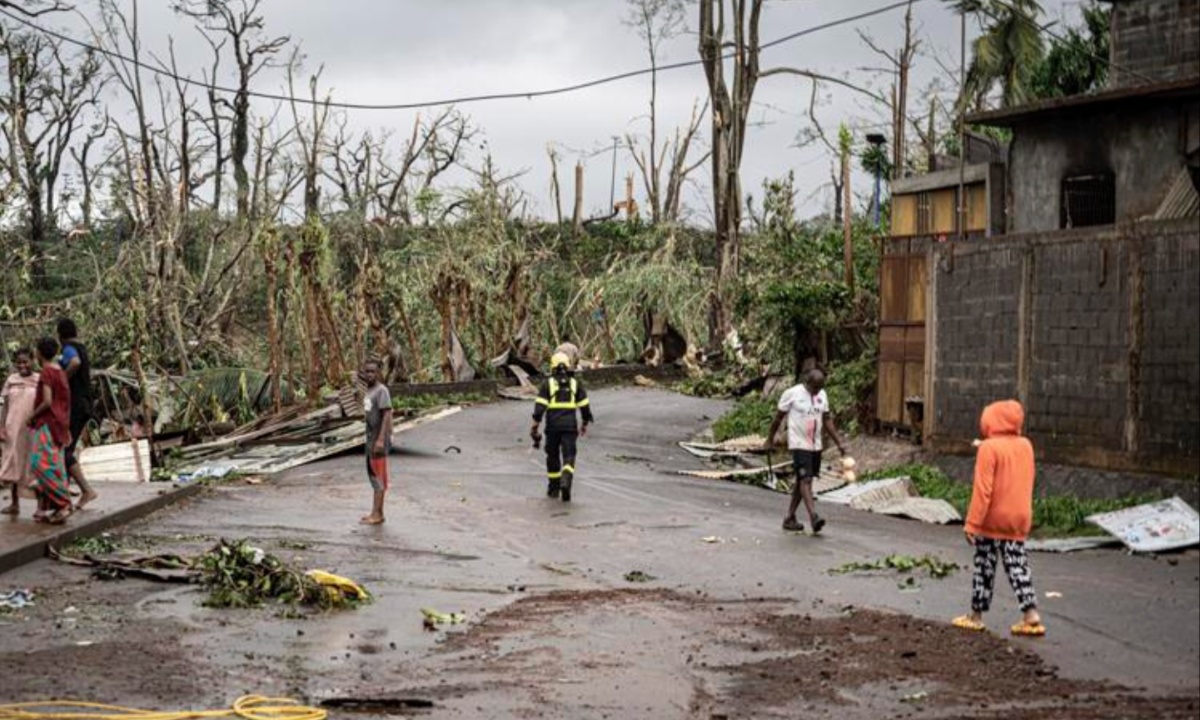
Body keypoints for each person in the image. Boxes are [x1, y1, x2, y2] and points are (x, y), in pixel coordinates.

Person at [953, 399, 1046, 637]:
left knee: (984, 565)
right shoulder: (1026, 445)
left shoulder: (988, 449)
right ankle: (1031, 613)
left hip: (993, 519)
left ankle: (976, 616)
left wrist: (972, 523)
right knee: (1017, 565)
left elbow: (983, 490)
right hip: (1019, 516)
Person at [764, 368, 845, 535]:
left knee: (803, 480)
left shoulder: (822, 395)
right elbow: (778, 417)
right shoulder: (792, 394)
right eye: (815, 388)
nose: (817, 391)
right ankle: (813, 516)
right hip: (799, 443)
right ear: (807, 383)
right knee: (806, 479)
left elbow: (827, 419)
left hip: (815, 445)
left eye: (820, 388)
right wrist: (769, 439)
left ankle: (789, 517)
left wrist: (839, 443)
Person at [531, 352, 593, 503]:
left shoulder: (548, 384)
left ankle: (554, 488)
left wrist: (534, 427)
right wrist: (584, 423)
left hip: (552, 427)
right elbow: (585, 407)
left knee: (552, 456)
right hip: (570, 427)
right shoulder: (575, 383)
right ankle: (566, 478)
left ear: (552, 367)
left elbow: (539, 409)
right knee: (569, 455)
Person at [27, 337, 73, 524]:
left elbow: (47, 401)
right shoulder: (60, 371)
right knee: (55, 465)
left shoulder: (46, 372)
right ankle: (49, 507)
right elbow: (65, 401)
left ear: (38, 352)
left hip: (47, 422)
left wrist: (31, 416)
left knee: (40, 465)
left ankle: (63, 503)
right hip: (59, 423)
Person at [57, 318, 98, 509]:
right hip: (85, 404)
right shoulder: (81, 346)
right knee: (68, 449)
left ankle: (86, 490)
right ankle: (63, 493)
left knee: (64, 450)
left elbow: (74, 362)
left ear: (60, 336)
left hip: (76, 405)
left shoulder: (69, 349)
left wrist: (61, 381)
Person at [1, 348, 40, 515]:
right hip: (12, 429)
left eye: (25, 361)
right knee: (12, 463)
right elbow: (6, 406)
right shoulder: (11, 380)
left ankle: (40, 506)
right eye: (19, 362)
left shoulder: (40, 380)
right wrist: (1, 426)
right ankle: (14, 503)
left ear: (32, 361)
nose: (22, 365)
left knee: (33, 464)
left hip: (31, 429)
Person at [360, 359, 393, 525]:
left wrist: (381, 439)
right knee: (373, 475)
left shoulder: (382, 391)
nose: (370, 374)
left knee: (379, 477)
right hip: (370, 438)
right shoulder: (369, 390)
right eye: (367, 371)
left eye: (373, 371)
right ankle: (376, 512)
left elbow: (387, 414)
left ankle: (378, 515)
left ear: (378, 372)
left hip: (378, 440)